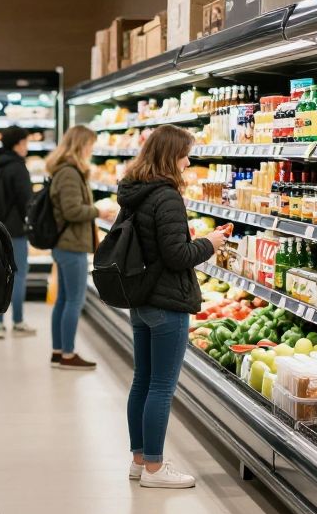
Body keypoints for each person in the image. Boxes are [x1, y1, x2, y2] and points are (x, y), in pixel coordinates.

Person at [116, 124, 226, 489]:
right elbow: (178, 255)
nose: (189, 161)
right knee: (162, 385)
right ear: (170, 157)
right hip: (167, 301)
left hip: (141, 297)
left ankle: (138, 460)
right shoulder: (167, 197)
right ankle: (154, 468)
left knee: (142, 380)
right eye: (185, 155)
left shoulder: (136, 192)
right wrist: (210, 242)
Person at [46, 125, 100, 370]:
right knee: (74, 301)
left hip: (66, 244)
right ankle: (68, 354)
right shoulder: (69, 173)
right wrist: (100, 210)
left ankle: (59, 352)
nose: (91, 150)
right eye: (90, 144)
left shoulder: (65, 170)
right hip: (71, 245)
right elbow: (72, 210)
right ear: (81, 145)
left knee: (64, 300)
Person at [0, 126, 35, 338]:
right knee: (18, 276)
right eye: (26, 143)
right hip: (15, 232)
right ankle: (18, 322)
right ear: (19, 143)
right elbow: (26, 202)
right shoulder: (18, 167)